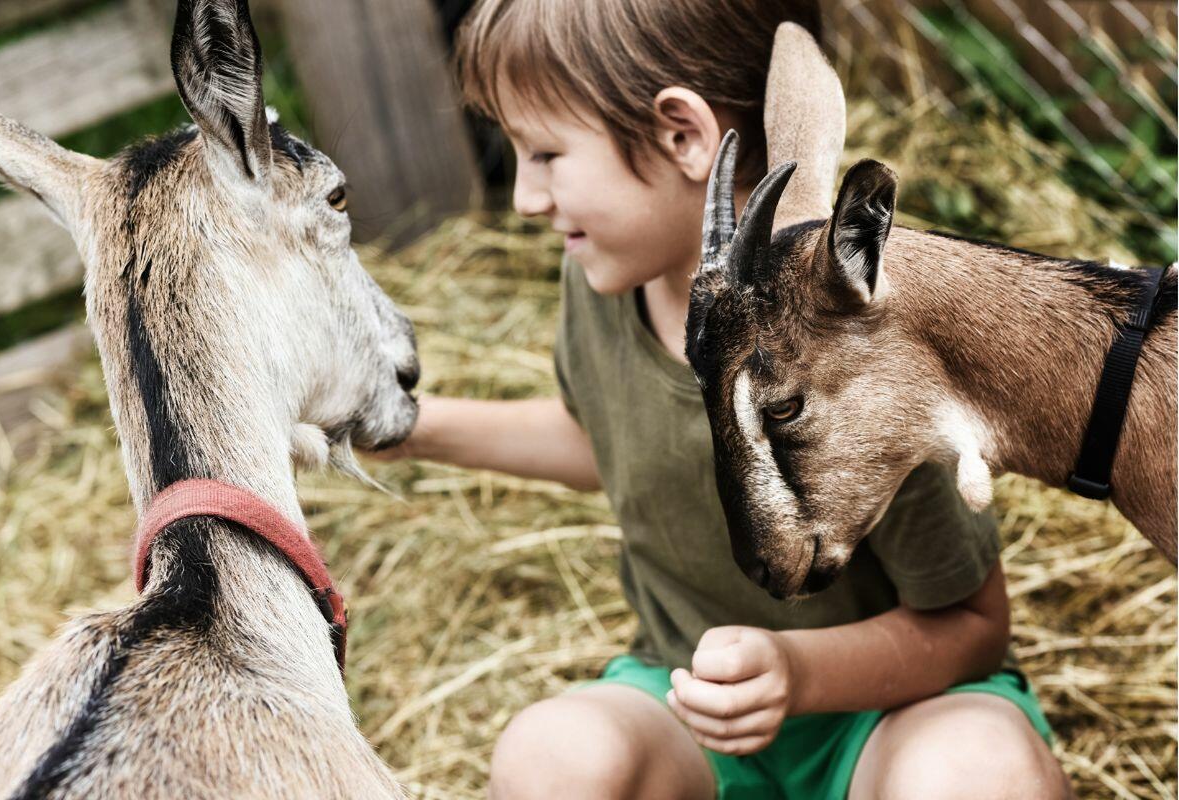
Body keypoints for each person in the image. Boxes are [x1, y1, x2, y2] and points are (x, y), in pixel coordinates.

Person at [380, 0, 1072, 796]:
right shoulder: (603, 283)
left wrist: (797, 673)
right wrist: (403, 427)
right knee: (549, 756)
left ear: (683, 135)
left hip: (891, 718)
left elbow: (973, 627)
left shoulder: (846, 342)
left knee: (976, 773)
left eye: (545, 154)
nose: (525, 201)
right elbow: (610, 437)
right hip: (690, 714)